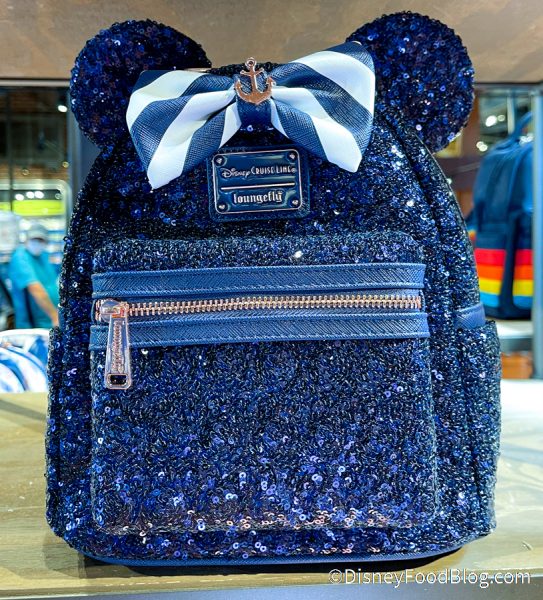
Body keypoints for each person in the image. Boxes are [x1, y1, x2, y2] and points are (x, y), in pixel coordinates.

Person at [8, 223, 59, 329]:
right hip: (34, 324)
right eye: (34, 239)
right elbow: (35, 288)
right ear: (26, 240)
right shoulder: (20, 257)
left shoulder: (43, 256)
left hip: (50, 322)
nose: (37, 243)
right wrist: (54, 316)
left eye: (41, 240)